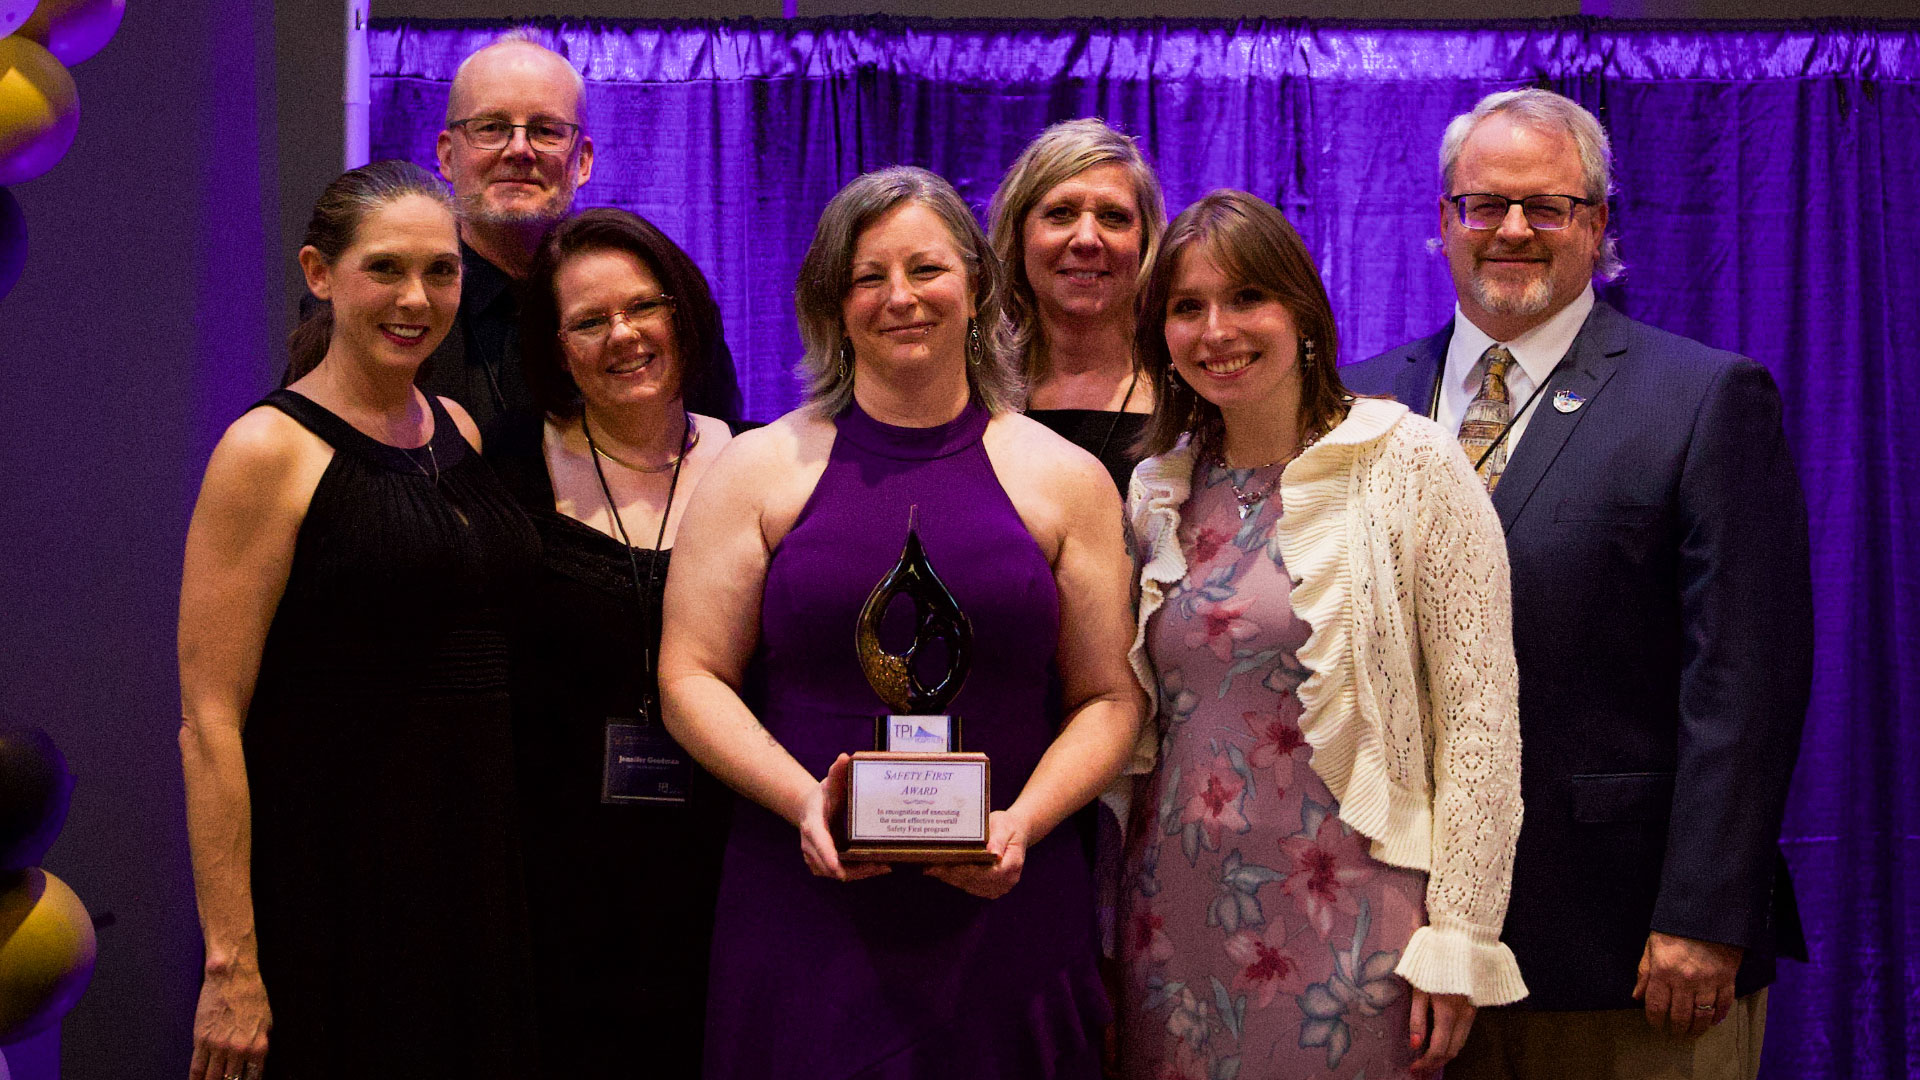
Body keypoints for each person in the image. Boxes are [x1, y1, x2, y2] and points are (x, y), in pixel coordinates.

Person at [1341, 89, 1812, 1079]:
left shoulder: (1703, 398)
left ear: (1597, 226)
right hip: (1394, 952)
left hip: (1629, 954)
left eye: (1548, 207)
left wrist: (1705, 915)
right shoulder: (1358, 403)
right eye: (1485, 204)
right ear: (1444, 221)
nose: (1513, 229)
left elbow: (1744, 684)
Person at [659, 165, 1144, 1079]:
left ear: (977, 285)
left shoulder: (1066, 477)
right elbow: (689, 678)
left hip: (1012, 902)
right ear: (832, 306)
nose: (900, 297)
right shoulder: (756, 469)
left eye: (926, 269)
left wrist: (1023, 824)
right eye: (867, 277)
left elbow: (1111, 698)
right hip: (803, 898)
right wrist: (804, 802)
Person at [1118, 190, 1527, 1080]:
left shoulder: (1410, 462)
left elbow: (1481, 721)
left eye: (1246, 298)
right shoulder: (1157, 491)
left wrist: (1461, 936)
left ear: (1302, 311)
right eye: (1188, 307)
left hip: (1355, 915)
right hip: (1172, 909)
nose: (1216, 331)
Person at [178, 161, 539, 1080]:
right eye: (385, 268)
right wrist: (230, 963)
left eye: (441, 271)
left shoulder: (456, 427)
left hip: (471, 866)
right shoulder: (267, 449)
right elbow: (210, 724)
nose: (416, 298)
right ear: (320, 272)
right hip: (336, 879)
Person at [490, 207, 742, 1077]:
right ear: (556, 348)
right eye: (590, 321)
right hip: (555, 879)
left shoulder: (762, 468)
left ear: (684, 314)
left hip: (724, 866)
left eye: (643, 307)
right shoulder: (504, 470)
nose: (624, 336)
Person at [423, 28, 595, 434]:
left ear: (583, 162)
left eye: (547, 130)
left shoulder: (652, 308)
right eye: (491, 127)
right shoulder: (382, 306)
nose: (519, 149)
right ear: (447, 156)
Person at [988, 117, 1166, 496]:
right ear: (1019, 235)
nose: (1086, 239)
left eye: (1113, 217)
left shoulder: (1187, 398)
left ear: (1146, 243)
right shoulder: (970, 393)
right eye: (1061, 213)